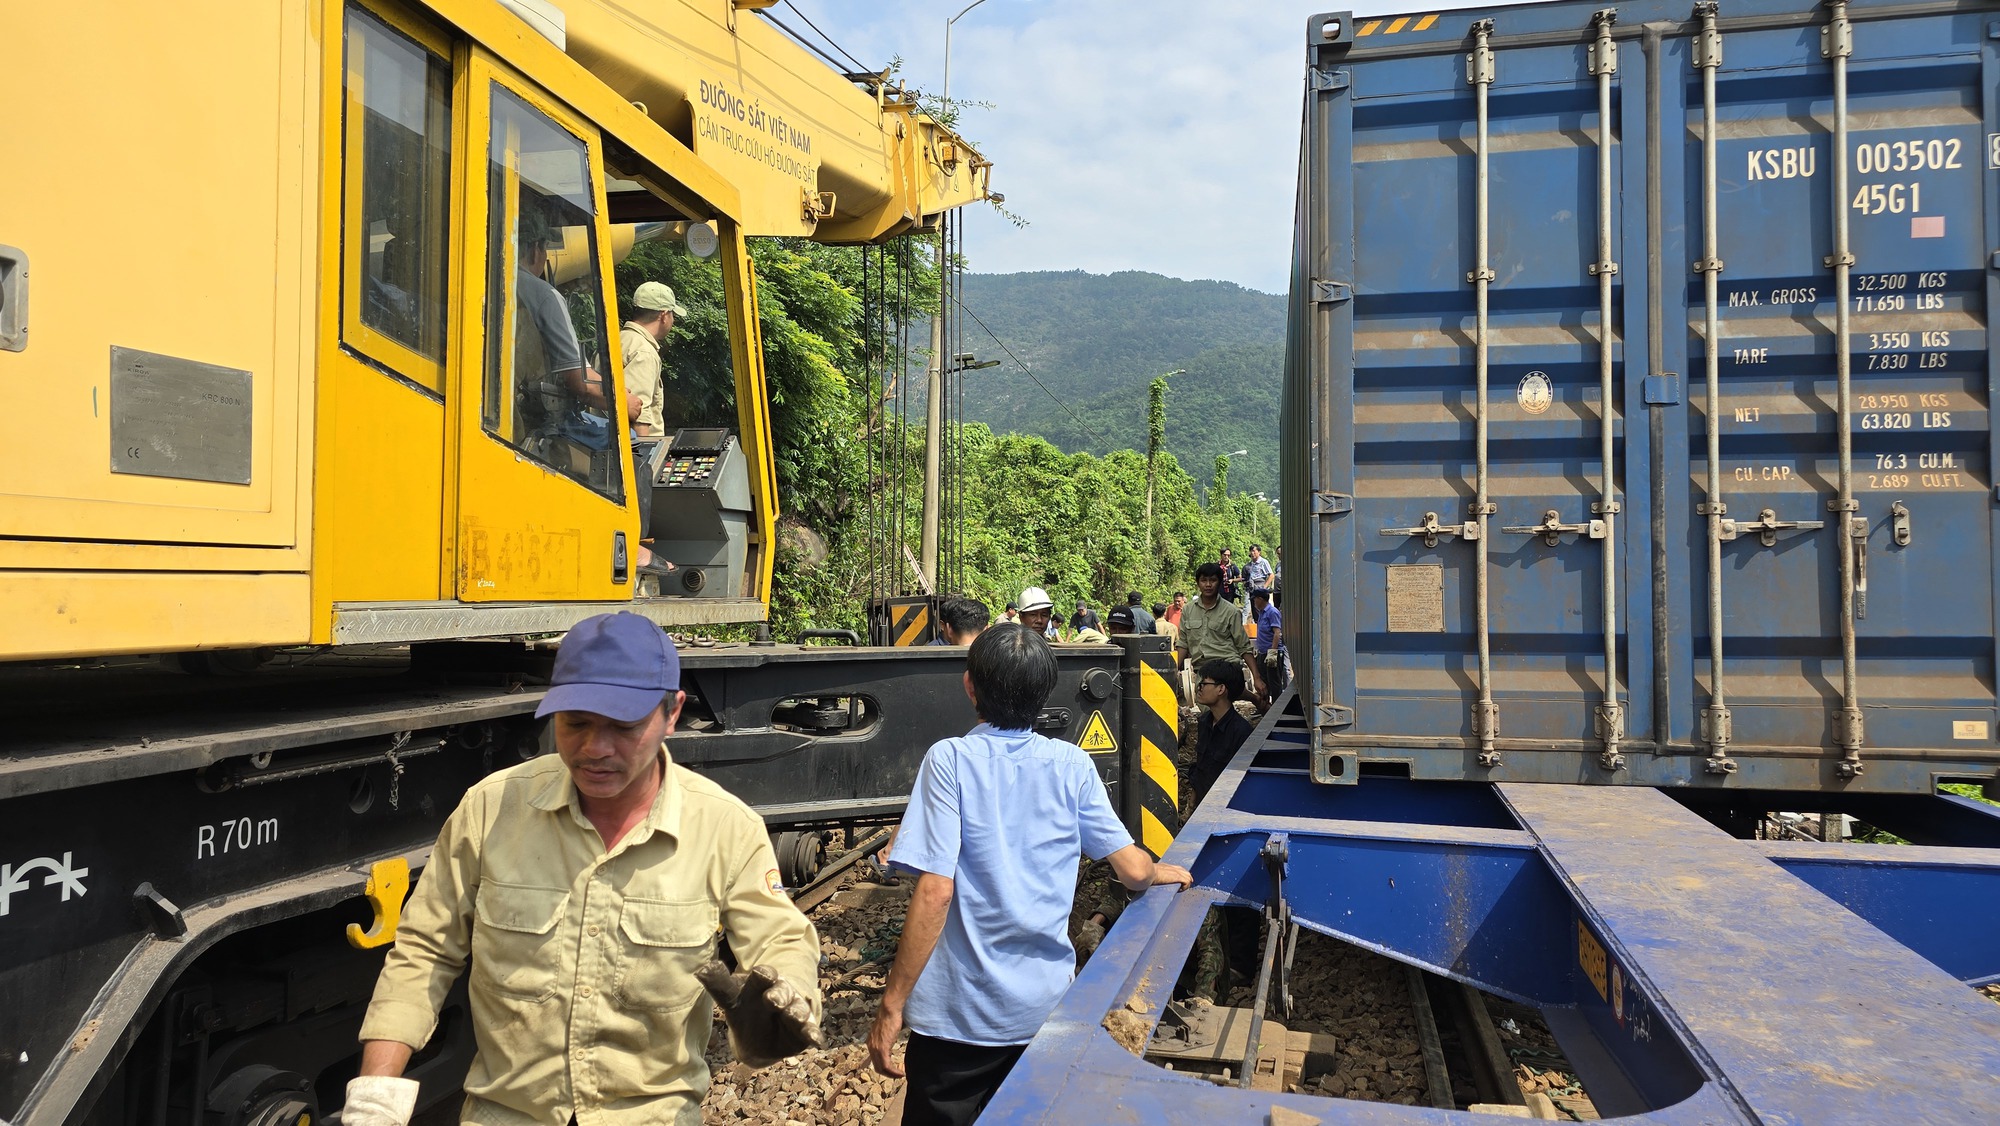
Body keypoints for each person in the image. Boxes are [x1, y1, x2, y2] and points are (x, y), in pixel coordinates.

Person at [343, 613, 822, 1126]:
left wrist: (785, 996)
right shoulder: (491, 810)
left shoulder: (725, 829)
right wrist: (376, 1098)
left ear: (672, 713)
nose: (595, 748)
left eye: (623, 727)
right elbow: (425, 951)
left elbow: (781, 942)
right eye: (576, 722)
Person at [866, 626, 1193, 1124]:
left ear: (970, 686)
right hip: (1042, 1013)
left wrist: (892, 1005)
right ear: (1045, 694)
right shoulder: (1072, 764)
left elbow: (935, 891)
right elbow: (1131, 869)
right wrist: (1157, 869)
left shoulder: (950, 760)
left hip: (958, 1019)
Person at [621, 281, 688, 579]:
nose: (672, 322)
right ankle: (635, 550)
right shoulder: (645, 352)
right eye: (672, 315)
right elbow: (637, 411)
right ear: (663, 315)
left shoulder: (619, 339)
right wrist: (646, 461)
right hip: (629, 451)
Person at [1178, 563, 1267, 709]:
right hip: (1203, 668)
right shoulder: (1188, 610)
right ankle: (1252, 698)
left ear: (1219, 583)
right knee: (1207, 701)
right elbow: (1183, 643)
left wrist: (1257, 678)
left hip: (1227, 664)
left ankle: (1224, 724)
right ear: (1198, 583)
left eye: (1212, 580)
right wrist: (1172, 671)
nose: (1208, 584)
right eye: (1204, 580)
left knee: (1212, 705)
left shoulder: (1230, 611)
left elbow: (1243, 646)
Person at [1187, 659, 1254, 810]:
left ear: (1221, 689)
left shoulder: (1241, 732)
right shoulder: (1204, 721)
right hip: (1203, 807)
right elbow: (1201, 765)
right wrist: (1194, 796)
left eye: (1204, 684)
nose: (1199, 688)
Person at [1249, 587, 1286, 695]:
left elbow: (1277, 633)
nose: (1254, 602)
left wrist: (1272, 652)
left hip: (1272, 652)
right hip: (1263, 652)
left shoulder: (1272, 612)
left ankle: (1276, 707)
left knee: (1274, 682)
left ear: (1260, 599)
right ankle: (1265, 706)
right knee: (1264, 681)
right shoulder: (1261, 612)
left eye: (1255, 599)